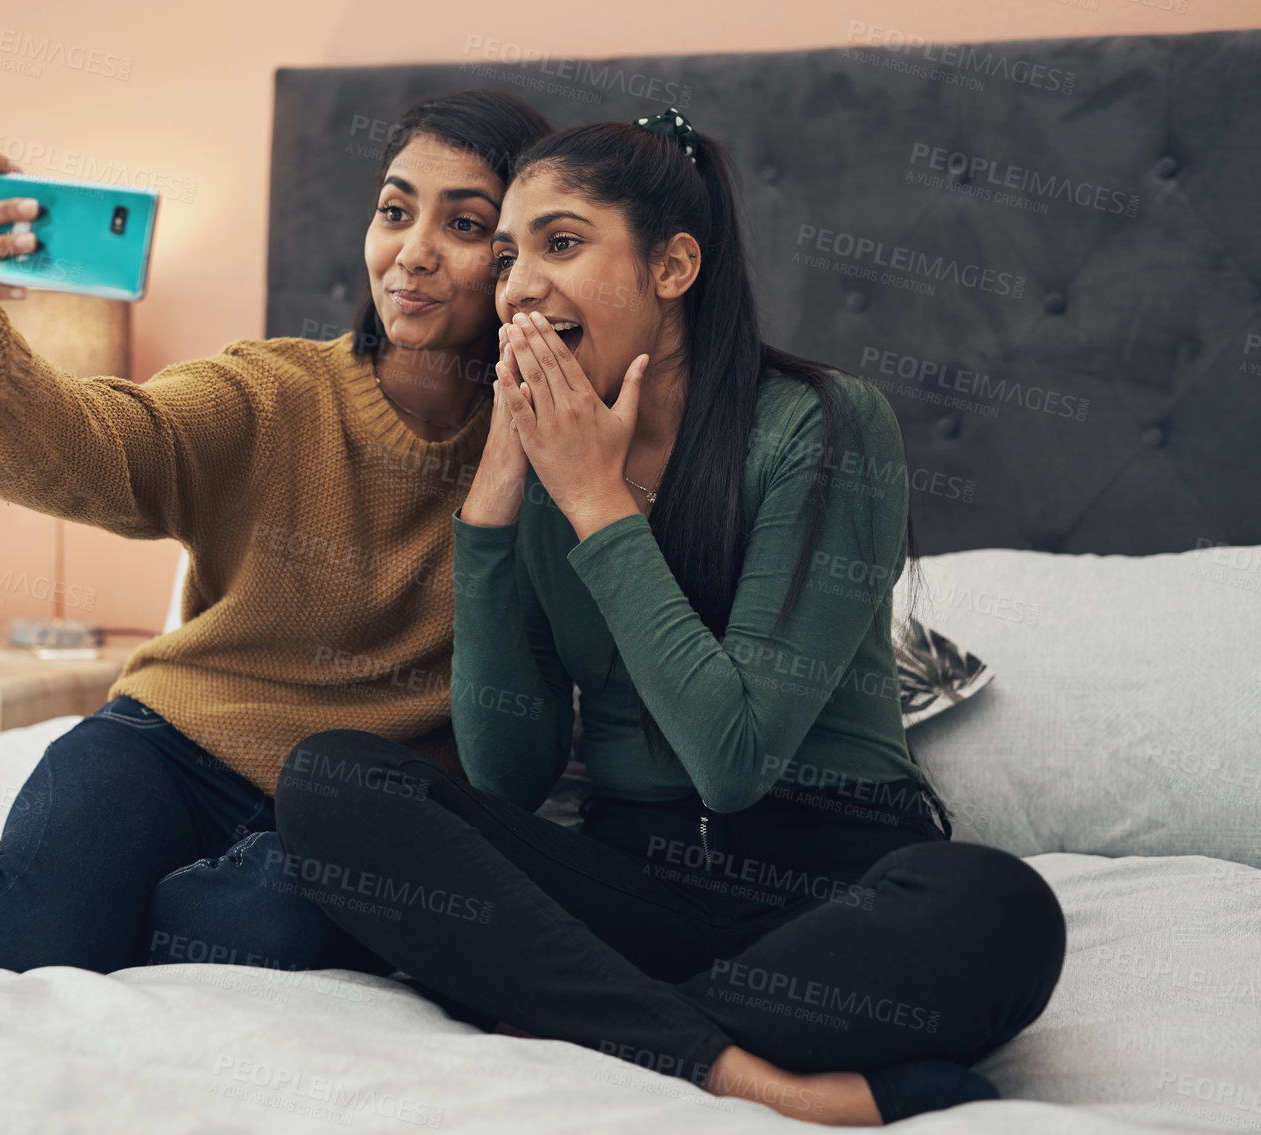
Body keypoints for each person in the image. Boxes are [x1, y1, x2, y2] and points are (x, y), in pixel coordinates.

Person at [272, 106, 1067, 1126]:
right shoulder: (534, 457)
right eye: (508, 253)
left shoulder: (822, 426)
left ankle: (582, 1018)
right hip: (631, 887)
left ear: (673, 267)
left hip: (828, 886)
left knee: (999, 910)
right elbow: (508, 776)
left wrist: (598, 501)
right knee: (333, 781)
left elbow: (730, 763)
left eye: (561, 243)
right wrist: (488, 515)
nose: (516, 284)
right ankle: (744, 1074)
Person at [0, 89, 552, 978]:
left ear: (520, 260)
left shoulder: (552, 457)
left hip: (340, 811)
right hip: (166, 747)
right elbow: (109, 443)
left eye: (465, 226)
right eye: (395, 211)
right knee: (23, 936)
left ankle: (109, 899)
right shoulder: (270, 394)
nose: (413, 253)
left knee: (263, 929)